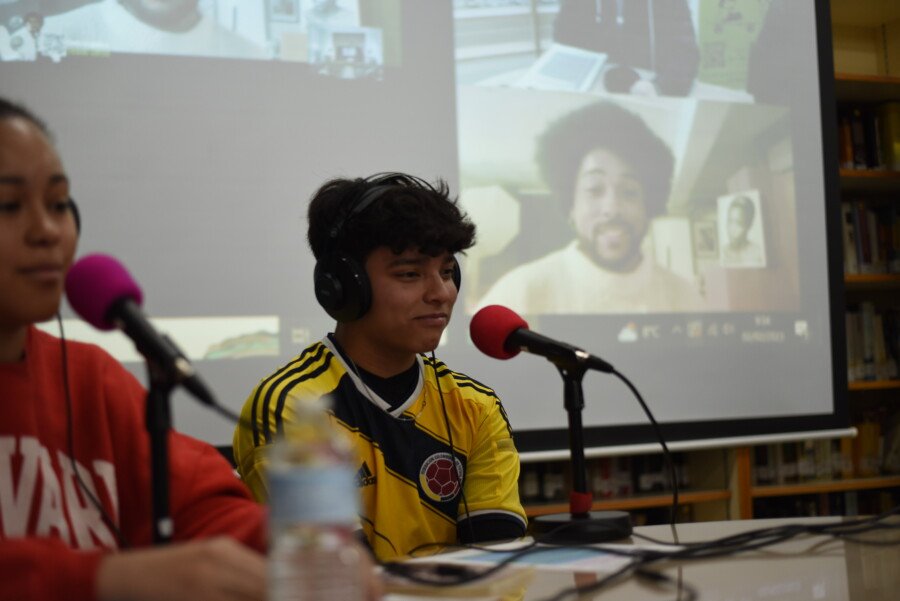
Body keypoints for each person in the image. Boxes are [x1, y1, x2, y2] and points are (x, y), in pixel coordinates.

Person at [0, 97, 268, 600]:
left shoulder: (89, 378)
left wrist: (281, 541)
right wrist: (105, 580)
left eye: (58, 204)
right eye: (9, 206)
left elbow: (202, 506)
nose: (48, 231)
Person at [233, 173, 528, 561]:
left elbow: (498, 561)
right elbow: (340, 572)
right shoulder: (292, 407)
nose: (441, 293)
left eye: (446, 271)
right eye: (410, 273)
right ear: (344, 287)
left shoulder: (476, 406)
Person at [477, 101, 702, 314]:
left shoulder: (685, 298)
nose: (612, 208)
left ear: (649, 206)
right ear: (571, 206)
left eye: (630, 192)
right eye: (595, 190)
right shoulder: (518, 294)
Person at [552, 0, 700, 96]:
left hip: (647, 95)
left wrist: (659, 87)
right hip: (592, 96)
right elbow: (563, 40)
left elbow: (685, 54)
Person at [721, 194, 764, 267]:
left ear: (748, 225)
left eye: (739, 223)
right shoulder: (723, 253)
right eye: (730, 221)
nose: (732, 229)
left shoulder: (757, 254)